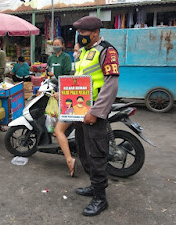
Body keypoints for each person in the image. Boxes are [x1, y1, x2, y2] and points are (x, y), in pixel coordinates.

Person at [73, 16, 119, 216]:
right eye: (79, 33)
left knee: (97, 154)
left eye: (83, 33)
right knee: (84, 150)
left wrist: (96, 112)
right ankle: (93, 186)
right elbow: (78, 80)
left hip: (94, 112)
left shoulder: (106, 51)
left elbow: (111, 84)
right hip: (80, 110)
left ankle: (100, 198)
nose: (80, 36)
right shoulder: (84, 52)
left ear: (95, 33)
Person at [50, 37, 74, 177]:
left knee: (63, 110)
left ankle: (61, 133)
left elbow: (66, 74)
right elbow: (48, 69)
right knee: (53, 110)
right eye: (54, 45)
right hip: (53, 86)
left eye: (58, 45)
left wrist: (57, 76)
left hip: (64, 87)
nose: (56, 47)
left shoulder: (66, 58)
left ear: (63, 46)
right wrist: (50, 74)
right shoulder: (51, 58)